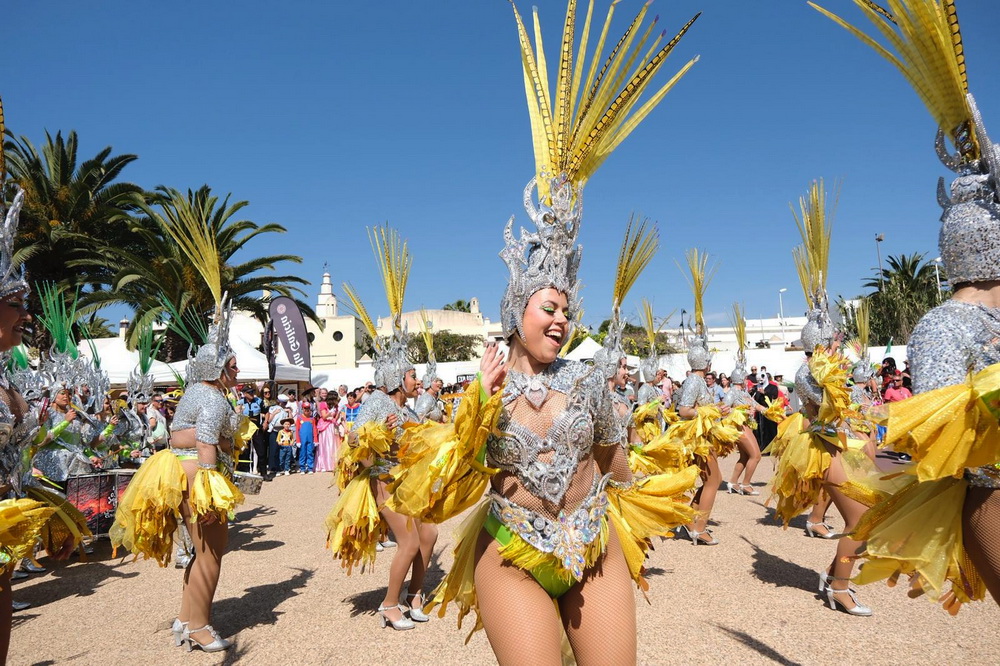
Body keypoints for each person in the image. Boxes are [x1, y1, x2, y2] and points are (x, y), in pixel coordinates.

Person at [385, 5, 701, 655]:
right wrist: (474, 410)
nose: (559, 319)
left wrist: (659, 473)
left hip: (594, 548)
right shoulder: (484, 391)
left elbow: (615, 465)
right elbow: (445, 496)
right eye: (545, 308)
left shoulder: (589, 379)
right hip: (513, 555)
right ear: (515, 313)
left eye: (565, 309)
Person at [811, 0, 1000, 611]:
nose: (834, 342)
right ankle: (837, 583)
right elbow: (945, 443)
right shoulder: (943, 327)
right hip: (839, 450)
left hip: (871, 445)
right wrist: (843, 408)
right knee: (859, 525)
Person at [111, 291, 245, 651]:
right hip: (197, 477)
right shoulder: (212, 398)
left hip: (181, 474)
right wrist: (210, 487)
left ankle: (186, 619)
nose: (237, 371)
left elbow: (186, 434)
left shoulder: (196, 392)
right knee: (212, 554)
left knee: (201, 552)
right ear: (217, 369)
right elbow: (205, 442)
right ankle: (200, 628)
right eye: (233, 366)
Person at [766, 179, 873, 615]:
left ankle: (836, 578)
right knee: (864, 520)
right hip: (828, 449)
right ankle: (839, 585)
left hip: (851, 445)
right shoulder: (809, 371)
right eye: (835, 337)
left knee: (872, 517)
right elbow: (825, 414)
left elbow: (852, 405)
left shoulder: (832, 367)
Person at [325, 226, 438, 632]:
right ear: (395, 376)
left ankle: (415, 595)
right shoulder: (376, 402)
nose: (415, 379)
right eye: (410, 374)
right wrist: (376, 436)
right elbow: (353, 439)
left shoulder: (409, 408)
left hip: (406, 481)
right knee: (408, 542)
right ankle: (389, 605)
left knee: (430, 536)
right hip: (383, 483)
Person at [724, 305, 763, 496]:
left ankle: (733, 482)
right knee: (756, 455)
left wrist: (772, 411)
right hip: (738, 427)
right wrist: (738, 412)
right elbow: (724, 408)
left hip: (746, 425)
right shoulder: (732, 392)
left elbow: (756, 405)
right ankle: (746, 484)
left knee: (747, 455)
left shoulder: (745, 393)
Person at [264, 393, 290, 480]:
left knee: (281, 450)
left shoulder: (285, 410)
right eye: (282, 403)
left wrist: (289, 412)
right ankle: (272, 467)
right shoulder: (273, 408)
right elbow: (269, 420)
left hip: (282, 431)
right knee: (273, 449)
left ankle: (280, 467)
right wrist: (274, 413)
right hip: (274, 431)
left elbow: (289, 421)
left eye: (285, 403)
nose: (283, 404)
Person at [295, 401, 317, 474]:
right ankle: (302, 468)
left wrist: (315, 440)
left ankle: (310, 467)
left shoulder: (312, 419)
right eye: (305, 409)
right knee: (302, 453)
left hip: (310, 439)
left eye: (308, 409)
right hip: (302, 439)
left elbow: (314, 429)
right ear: (302, 409)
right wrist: (298, 441)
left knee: (310, 452)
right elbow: (297, 430)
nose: (307, 410)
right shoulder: (299, 418)